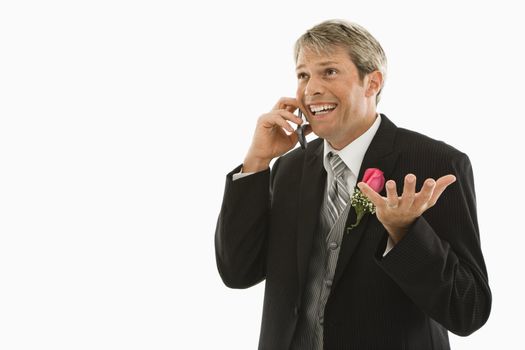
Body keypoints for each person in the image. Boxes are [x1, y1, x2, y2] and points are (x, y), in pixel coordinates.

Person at [215, 19, 491, 350]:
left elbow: (468, 309)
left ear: (372, 82)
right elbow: (238, 273)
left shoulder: (435, 164)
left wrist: (405, 234)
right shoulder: (289, 168)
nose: (310, 89)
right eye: (303, 75)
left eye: (329, 72)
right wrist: (256, 164)